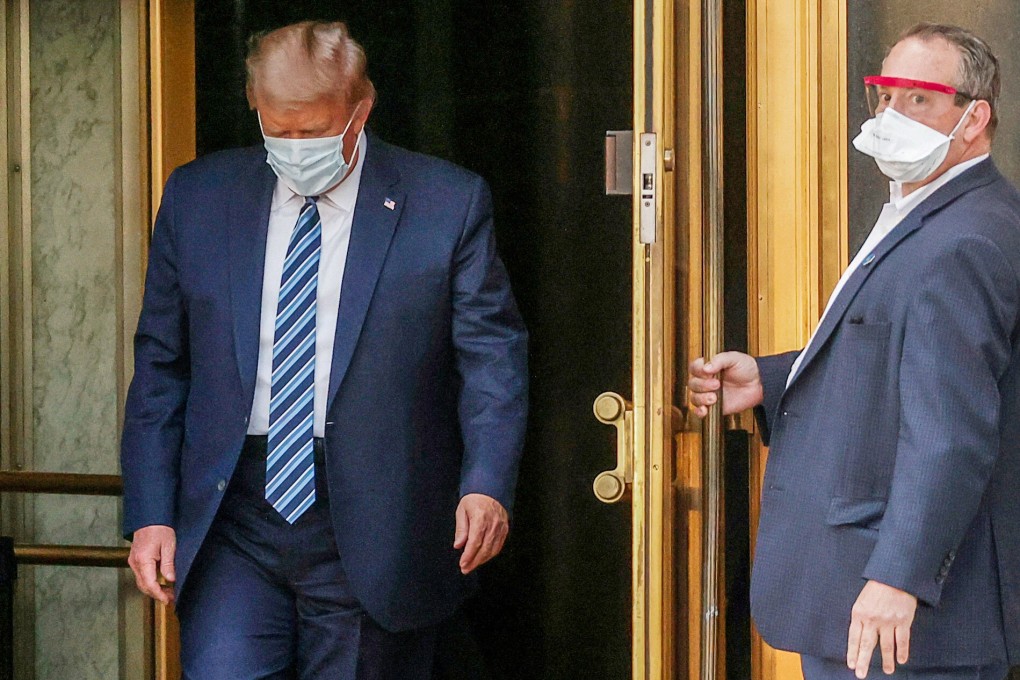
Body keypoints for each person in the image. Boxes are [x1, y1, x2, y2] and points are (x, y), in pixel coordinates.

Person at [120, 21, 528, 679]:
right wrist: (150, 512)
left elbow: (490, 357)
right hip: (235, 514)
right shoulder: (199, 197)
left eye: (313, 133)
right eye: (278, 131)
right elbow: (162, 362)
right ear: (255, 107)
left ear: (359, 111)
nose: (295, 147)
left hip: (375, 519)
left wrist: (486, 483)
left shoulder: (445, 203)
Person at [689, 23, 1019, 680]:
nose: (891, 116)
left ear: (974, 117)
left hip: (907, 621)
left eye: (918, 99)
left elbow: (952, 434)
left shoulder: (965, 239)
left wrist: (899, 578)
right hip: (865, 603)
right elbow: (897, 355)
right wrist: (773, 379)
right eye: (883, 95)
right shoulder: (931, 210)